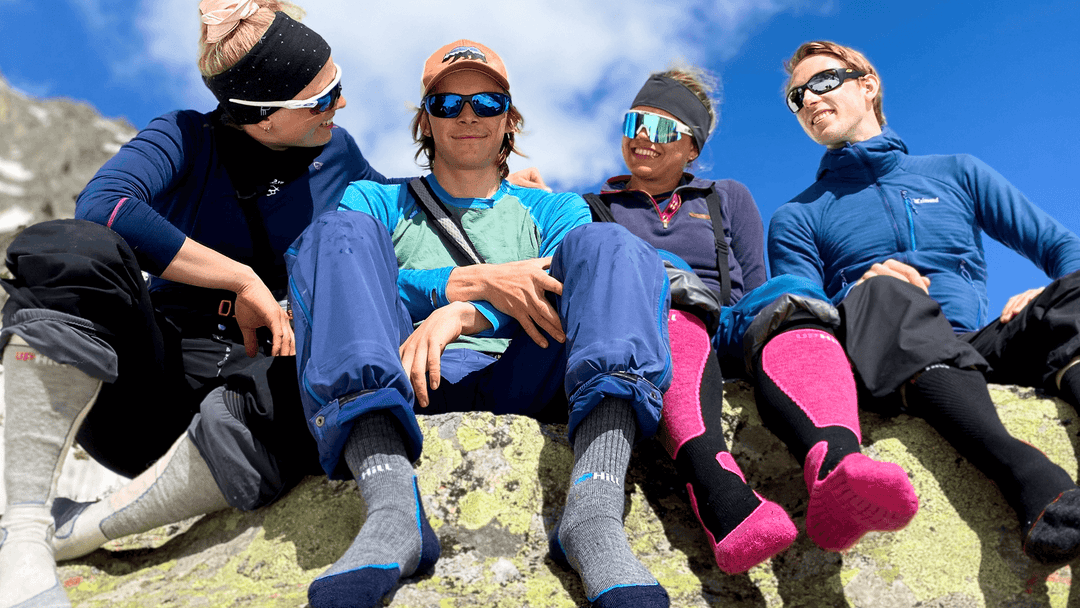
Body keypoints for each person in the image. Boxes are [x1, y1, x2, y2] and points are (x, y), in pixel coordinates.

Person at [0, 2, 400, 607]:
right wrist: (239, 280)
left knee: (339, 372)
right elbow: (106, 205)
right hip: (150, 392)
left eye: (337, 83)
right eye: (323, 98)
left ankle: (83, 527)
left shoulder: (337, 154)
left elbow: (400, 218)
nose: (340, 106)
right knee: (71, 250)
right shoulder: (186, 136)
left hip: (264, 393)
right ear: (263, 120)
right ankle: (26, 530)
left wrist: (496, 190)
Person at [286, 39, 673, 608]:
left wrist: (465, 313)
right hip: (410, 375)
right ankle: (393, 511)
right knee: (334, 236)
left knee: (609, 244)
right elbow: (341, 284)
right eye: (447, 104)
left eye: (487, 103)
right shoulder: (375, 199)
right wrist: (457, 285)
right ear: (425, 120)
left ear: (510, 118)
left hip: (533, 368)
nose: (468, 115)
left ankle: (594, 513)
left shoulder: (553, 209)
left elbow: (577, 293)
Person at [584, 67, 918, 574]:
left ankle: (836, 465)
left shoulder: (726, 197)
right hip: (659, 323)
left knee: (792, 293)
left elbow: (758, 282)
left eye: (665, 129)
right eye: (636, 124)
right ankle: (720, 493)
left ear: (691, 147)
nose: (645, 140)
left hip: (729, 325)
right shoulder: (591, 208)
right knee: (663, 286)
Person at [770, 40, 1080, 564]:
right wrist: (858, 289)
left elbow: (1062, 247)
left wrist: (1050, 289)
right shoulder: (797, 216)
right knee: (881, 289)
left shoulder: (956, 172)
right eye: (797, 97)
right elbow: (799, 319)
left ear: (867, 85)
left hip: (978, 343)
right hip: (888, 355)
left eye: (822, 82)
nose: (809, 100)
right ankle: (1030, 477)